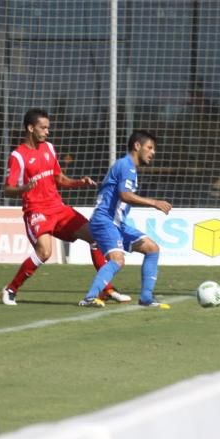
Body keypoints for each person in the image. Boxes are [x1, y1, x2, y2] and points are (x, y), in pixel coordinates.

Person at [1, 108, 129, 306]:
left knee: (96, 237)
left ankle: (106, 289)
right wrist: (25, 188)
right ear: (30, 128)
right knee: (44, 252)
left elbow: (59, 178)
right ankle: (10, 289)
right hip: (36, 211)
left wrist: (79, 182)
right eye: (43, 128)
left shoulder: (49, 148)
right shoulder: (18, 156)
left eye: (48, 128)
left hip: (58, 208)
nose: (47, 131)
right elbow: (7, 189)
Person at [78, 129, 173, 309]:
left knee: (152, 248)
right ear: (137, 146)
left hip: (117, 223)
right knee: (117, 260)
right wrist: (154, 202)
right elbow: (125, 195)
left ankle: (146, 297)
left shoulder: (129, 167)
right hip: (104, 220)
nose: (153, 152)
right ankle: (90, 297)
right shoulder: (126, 165)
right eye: (150, 147)